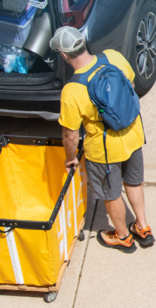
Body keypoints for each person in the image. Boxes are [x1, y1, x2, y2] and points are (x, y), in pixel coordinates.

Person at [53, 27, 150, 254]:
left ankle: (123, 237)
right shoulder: (113, 57)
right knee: (134, 181)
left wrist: (70, 159)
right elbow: (131, 87)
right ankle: (143, 227)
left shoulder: (72, 90)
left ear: (64, 56)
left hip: (104, 150)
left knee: (111, 193)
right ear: (83, 43)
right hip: (133, 134)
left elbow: (70, 135)